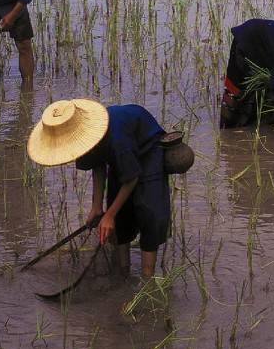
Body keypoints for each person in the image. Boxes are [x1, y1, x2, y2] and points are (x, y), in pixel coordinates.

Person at [27, 98, 174, 277]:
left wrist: (109, 215)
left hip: (148, 149)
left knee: (148, 210)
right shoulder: (83, 141)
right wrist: (97, 207)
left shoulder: (117, 137)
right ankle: (122, 272)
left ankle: (148, 278)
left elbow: (132, 178)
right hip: (120, 154)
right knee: (120, 216)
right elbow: (98, 166)